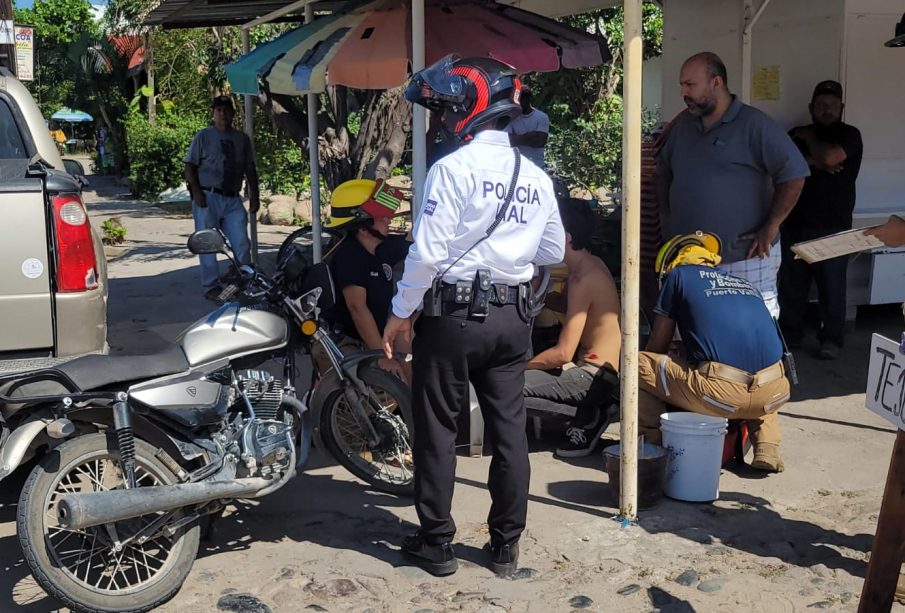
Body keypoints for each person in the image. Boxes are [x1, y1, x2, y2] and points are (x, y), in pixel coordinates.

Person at [382, 55, 565, 578]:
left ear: (470, 108)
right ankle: (505, 547)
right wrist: (509, 256)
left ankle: (437, 543)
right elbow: (552, 248)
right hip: (512, 320)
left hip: (454, 316)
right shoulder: (534, 175)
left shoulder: (452, 169)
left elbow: (428, 254)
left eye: (446, 109)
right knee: (510, 433)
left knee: (438, 428)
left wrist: (400, 313)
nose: (441, 120)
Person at [656, 52, 809, 318]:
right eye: (682, 85)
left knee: (749, 330)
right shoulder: (683, 128)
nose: (683, 92)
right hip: (690, 258)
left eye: (690, 85)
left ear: (716, 82)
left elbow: (794, 174)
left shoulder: (755, 124)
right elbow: (663, 173)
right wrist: (666, 218)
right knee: (696, 331)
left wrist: (771, 226)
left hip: (744, 259)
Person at [638, 231, 791, 473]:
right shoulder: (745, 285)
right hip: (775, 391)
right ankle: (767, 446)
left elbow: (657, 346)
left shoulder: (678, 276)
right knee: (755, 366)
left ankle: (652, 445)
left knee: (637, 363)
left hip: (722, 396)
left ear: (669, 267)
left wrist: (666, 359)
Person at [523, 198, 622, 458]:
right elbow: (569, 306)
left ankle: (591, 413)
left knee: (505, 384)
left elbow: (563, 353)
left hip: (591, 376)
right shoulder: (591, 264)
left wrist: (519, 366)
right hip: (602, 372)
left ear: (564, 237)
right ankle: (592, 409)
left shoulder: (582, 278)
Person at [779, 80, 863, 360]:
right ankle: (791, 336)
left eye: (831, 105)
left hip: (834, 227)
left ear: (842, 107)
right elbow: (780, 163)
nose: (825, 110)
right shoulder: (794, 134)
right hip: (795, 223)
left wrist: (813, 149)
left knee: (832, 288)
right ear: (810, 107)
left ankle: (832, 340)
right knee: (792, 288)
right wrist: (815, 162)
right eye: (820, 105)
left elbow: (830, 156)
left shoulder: (850, 135)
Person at [315, 178, 412, 381]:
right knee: (376, 391)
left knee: (408, 372)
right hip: (344, 341)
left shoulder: (381, 247)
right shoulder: (349, 257)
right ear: (363, 226)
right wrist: (381, 356)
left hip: (370, 338)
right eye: (381, 216)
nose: (389, 219)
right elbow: (357, 309)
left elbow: (414, 239)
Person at [184, 95, 260, 302]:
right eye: (218, 110)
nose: (222, 113)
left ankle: (242, 279)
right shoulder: (203, 136)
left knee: (242, 242)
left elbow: (249, 167)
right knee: (207, 242)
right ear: (213, 113)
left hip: (232, 198)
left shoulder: (242, 139)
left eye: (226, 109)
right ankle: (211, 285)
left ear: (233, 113)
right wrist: (197, 192)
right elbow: (189, 165)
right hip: (208, 196)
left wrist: (255, 194)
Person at [506, 85, 549, 169]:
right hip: (517, 166)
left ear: (529, 99)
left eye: (522, 100)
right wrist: (530, 135)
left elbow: (540, 142)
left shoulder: (541, 117)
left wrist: (517, 138)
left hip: (537, 166)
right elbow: (508, 141)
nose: (519, 103)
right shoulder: (511, 117)